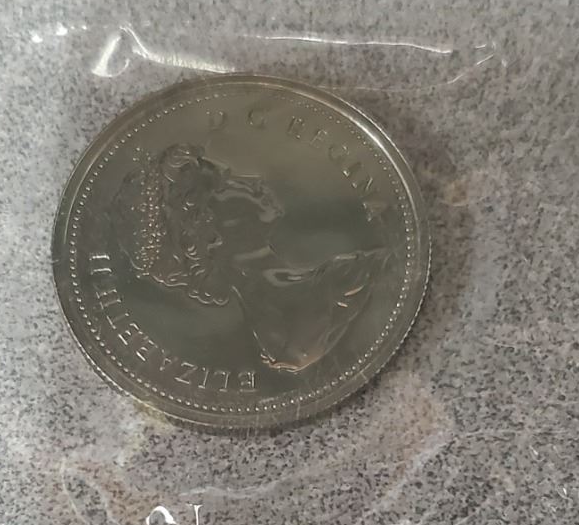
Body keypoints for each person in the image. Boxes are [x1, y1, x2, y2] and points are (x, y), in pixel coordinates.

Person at [114, 144, 389, 373]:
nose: (254, 181)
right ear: (208, 229)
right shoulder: (339, 287)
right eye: (226, 185)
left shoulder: (338, 277)